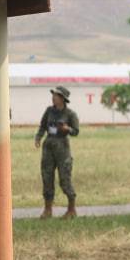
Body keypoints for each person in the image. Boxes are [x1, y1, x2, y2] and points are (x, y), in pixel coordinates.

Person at [34, 86, 79, 218]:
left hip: (62, 147)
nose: (53, 97)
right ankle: (48, 209)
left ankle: (71, 209)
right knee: (47, 177)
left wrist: (67, 128)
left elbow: (76, 131)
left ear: (63, 99)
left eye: (57, 96)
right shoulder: (49, 111)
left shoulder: (70, 114)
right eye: (53, 95)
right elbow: (42, 126)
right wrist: (38, 138)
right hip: (48, 146)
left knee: (65, 178)